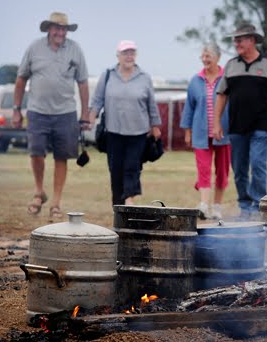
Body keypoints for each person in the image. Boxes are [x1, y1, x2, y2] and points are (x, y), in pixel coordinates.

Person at [13, 12, 90, 218]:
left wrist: (85, 114)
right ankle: (39, 191)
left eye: (64, 28)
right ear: (48, 29)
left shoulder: (75, 50)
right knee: (36, 152)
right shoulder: (34, 48)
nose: (60, 32)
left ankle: (56, 202)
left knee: (62, 156)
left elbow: (83, 82)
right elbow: (21, 79)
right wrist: (16, 109)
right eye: (56, 28)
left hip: (66, 112)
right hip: (37, 110)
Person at [213, 23, 267, 219]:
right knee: (239, 169)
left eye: (241, 39)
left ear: (252, 40)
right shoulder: (230, 65)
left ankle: (258, 206)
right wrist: (216, 122)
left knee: (258, 164)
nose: (236, 43)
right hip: (236, 127)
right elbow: (221, 95)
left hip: (261, 127)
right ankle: (245, 206)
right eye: (235, 40)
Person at [89, 40, 162, 206]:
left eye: (132, 53)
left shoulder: (144, 77)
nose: (129, 56)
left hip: (138, 132)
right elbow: (98, 99)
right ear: (118, 56)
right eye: (125, 53)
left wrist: (155, 125)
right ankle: (118, 206)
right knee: (115, 170)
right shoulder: (108, 75)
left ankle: (129, 201)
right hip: (113, 131)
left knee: (132, 167)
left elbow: (151, 103)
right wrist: (90, 118)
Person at [180, 42, 231, 219]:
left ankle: (216, 206)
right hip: (201, 133)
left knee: (222, 171)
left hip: (224, 133)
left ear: (218, 57)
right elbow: (189, 107)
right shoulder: (195, 80)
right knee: (203, 169)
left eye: (208, 56)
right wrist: (187, 131)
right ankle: (203, 205)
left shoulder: (227, 78)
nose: (204, 59)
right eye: (203, 56)